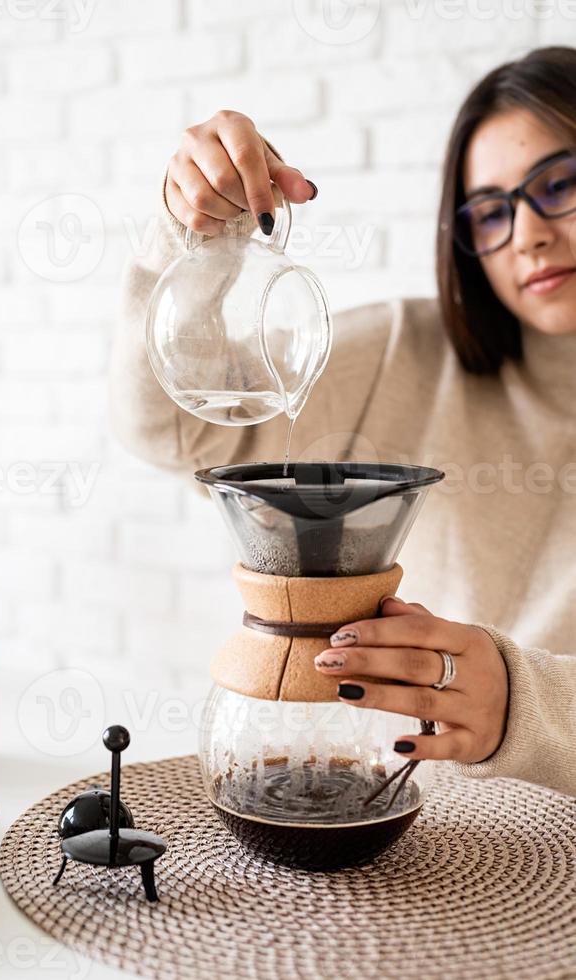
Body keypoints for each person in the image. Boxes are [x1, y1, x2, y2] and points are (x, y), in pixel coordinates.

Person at [110, 46, 576, 797]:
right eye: (490, 210)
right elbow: (172, 429)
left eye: (560, 184)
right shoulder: (404, 353)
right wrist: (194, 238)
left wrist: (527, 705)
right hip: (438, 822)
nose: (527, 233)